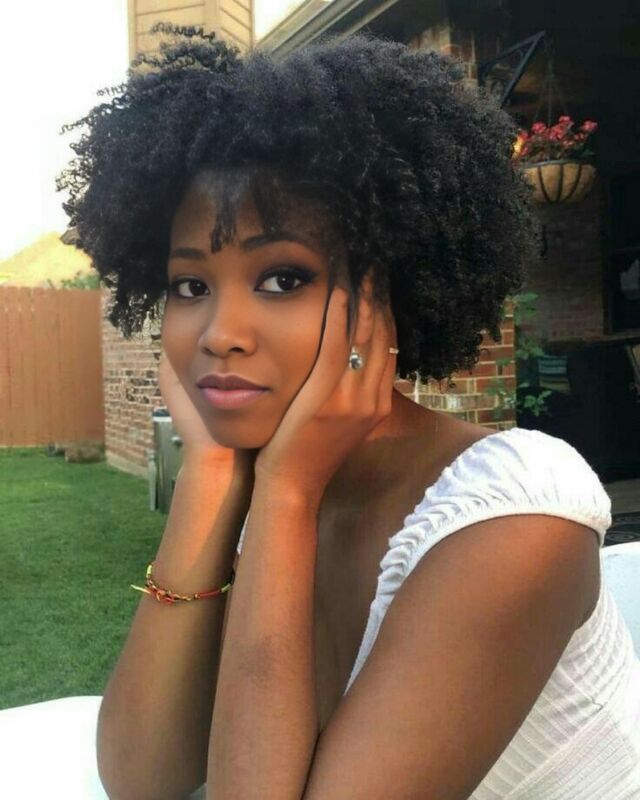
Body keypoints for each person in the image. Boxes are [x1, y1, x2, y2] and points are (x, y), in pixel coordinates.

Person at [57, 24, 640, 799]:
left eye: (283, 278)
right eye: (190, 286)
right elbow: (141, 777)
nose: (219, 334)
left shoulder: (518, 516)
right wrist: (209, 476)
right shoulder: (269, 477)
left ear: (383, 298)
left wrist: (286, 495)